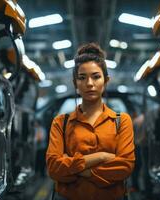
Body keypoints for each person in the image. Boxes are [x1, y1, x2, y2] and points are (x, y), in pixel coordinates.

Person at [46, 43, 135, 200]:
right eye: (82, 78)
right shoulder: (61, 123)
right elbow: (54, 168)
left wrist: (76, 168)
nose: (89, 83)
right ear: (75, 83)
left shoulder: (121, 121)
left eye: (96, 76)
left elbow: (125, 167)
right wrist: (100, 157)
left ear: (106, 81)